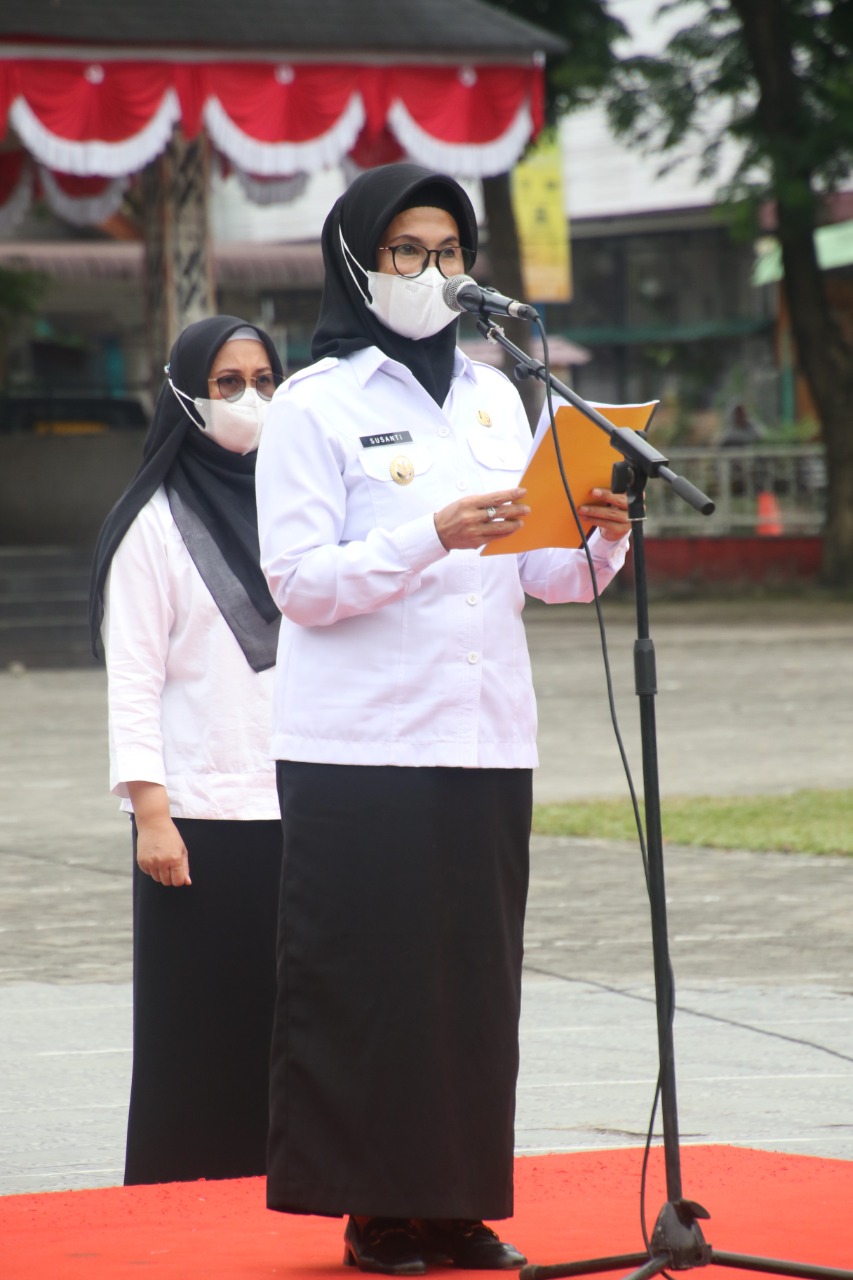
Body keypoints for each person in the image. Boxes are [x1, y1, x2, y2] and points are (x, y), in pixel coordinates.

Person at [255, 163, 631, 1275]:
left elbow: (541, 573)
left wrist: (599, 535)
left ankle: (455, 1202)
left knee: (470, 981)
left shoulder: (492, 392)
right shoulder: (313, 404)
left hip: (482, 733)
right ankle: (375, 1208)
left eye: (451, 252)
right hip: (361, 745)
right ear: (359, 261)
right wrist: (432, 533)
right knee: (370, 979)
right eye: (409, 251)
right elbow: (299, 583)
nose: (431, 272)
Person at [88, 315, 285, 1185]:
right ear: (184, 395)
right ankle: (176, 1204)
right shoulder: (153, 527)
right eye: (227, 383)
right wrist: (151, 816)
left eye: (266, 380)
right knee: (198, 1027)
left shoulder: (296, 510)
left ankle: (286, 1190)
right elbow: (132, 682)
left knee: (290, 1025)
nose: (251, 399)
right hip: (199, 816)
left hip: (302, 805)